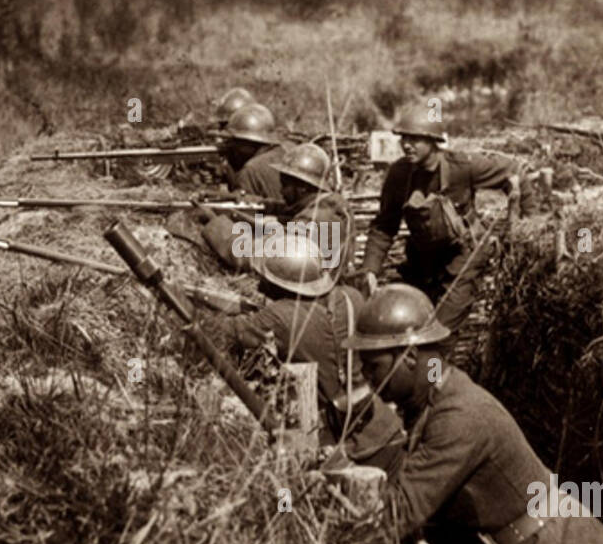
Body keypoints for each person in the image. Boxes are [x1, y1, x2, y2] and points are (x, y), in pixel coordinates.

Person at [339, 283, 603, 544]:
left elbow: (399, 513)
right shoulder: (435, 402)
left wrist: (338, 542)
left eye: (374, 367)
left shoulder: (459, 417)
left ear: (407, 357)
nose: (369, 381)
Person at [218, 234, 404, 467]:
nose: (259, 284)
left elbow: (223, 334)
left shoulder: (279, 317)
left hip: (335, 447)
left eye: (266, 279)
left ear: (281, 284)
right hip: (382, 428)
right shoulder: (352, 297)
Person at [356, 104, 519, 335]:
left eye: (415, 139)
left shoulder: (463, 167)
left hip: (463, 258)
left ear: (433, 142)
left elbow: (514, 172)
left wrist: (525, 221)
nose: (407, 144)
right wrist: (370, 270)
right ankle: (426, 370)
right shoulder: (399, 174)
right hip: (424, 262)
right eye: (404, 138)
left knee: (440, 335)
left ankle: (435, 370)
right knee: (406, 327)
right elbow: (384, 226)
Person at [198, 143, 354, 274]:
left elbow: (255, 257)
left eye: (285, 185)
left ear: (302, 188)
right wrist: (246, 201)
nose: (281, 191)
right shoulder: (328, 204)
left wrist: (216, 224)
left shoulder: (313, 221)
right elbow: (285, 209)